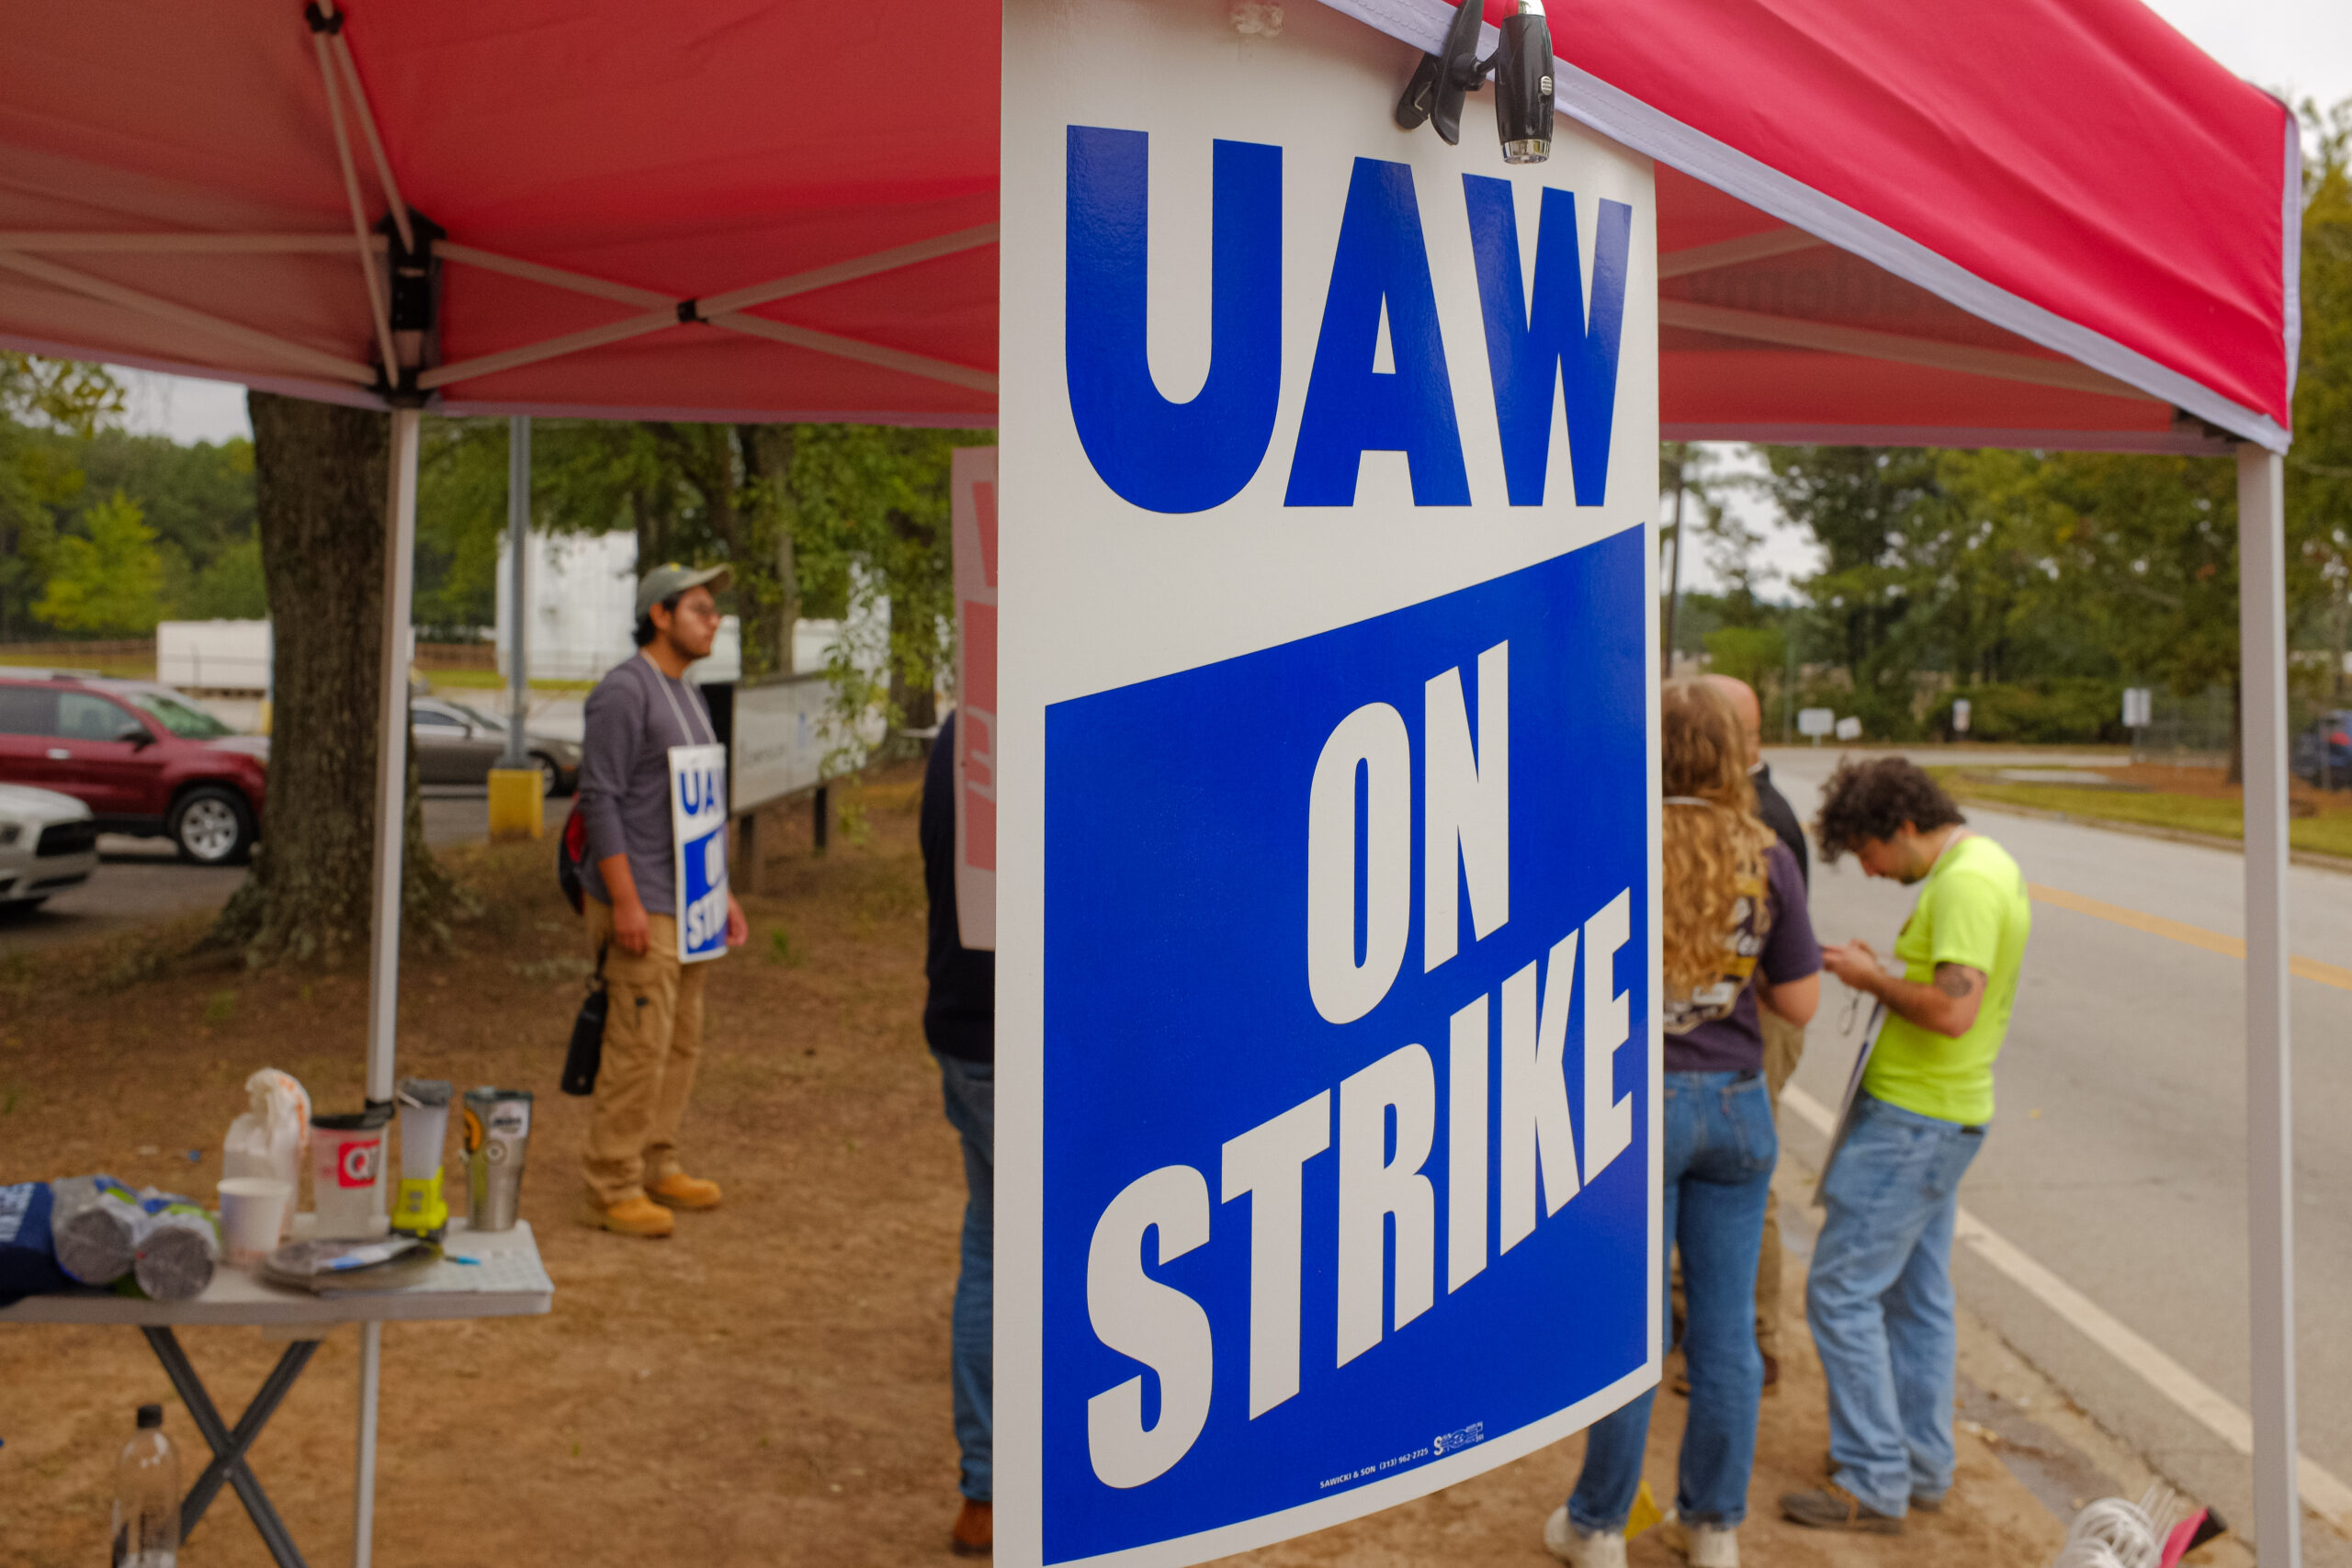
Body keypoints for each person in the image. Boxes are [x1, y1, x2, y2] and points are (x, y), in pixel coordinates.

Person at [1546, 681, 1820, 1568]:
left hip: (1640, 1107)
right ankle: (1714, 1527)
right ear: (1734, 752)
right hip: (1738, 1105)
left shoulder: (1619, 841)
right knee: (1725, 1330)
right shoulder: (1766, 852)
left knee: (1635, 1329)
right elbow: (1801, 1001)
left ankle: (1597, 1527)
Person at [1779, 758, 2030, 1534]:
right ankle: (1920, 1461)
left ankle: (1873, 1476)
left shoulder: (1962, 886)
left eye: (1867, 849)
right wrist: (1885, 972)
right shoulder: (1987, 865)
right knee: (1917, 1300)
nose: (1867, 867)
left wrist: (1869, 979)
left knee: (1841, 1291)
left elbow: (1953, 1009)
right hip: (1939, 1115)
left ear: (1905, 826)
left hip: (1914, 1124)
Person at [575, 564, 749, 1239]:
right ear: (660, 615)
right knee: (637, 1043)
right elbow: (600, 798)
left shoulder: (688, 692)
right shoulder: (624, 693)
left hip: (694, 902)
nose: (715, 619)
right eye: (702, 608)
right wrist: (624, 902)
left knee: (681, 1041)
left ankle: (656, 1158)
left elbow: (699, 802)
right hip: (644, 899)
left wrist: (723, 891)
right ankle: (610, 1182)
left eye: (715, 610)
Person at [1702, 675, 1807, 1392]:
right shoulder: (1735, 809)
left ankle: (1756, 1342)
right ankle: (1712, 1328)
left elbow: (1792, 984)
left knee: (1747, 1187)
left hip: (1757, 1024)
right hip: (1734, 1025)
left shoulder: (1761, 820)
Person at [922, 712, 996, 1557]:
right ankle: (996, 1487)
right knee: (1024, 1250)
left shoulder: (957, 731)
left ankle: (987, 1488)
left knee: (990, 1242)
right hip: (1019, 1041)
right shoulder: (1043, 718)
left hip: (964, 1030)